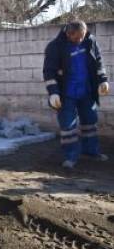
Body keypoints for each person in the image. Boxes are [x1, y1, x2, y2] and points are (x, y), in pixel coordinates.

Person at [43, 20, 109, 169]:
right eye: (76, 37)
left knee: (90, 122)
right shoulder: (55, 47)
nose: (80, 40)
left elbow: (98, 62)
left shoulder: (90, 41)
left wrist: (103, 80)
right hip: (66, 93)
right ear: (68, 33)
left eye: (82, 36)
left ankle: (91, 151)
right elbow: (49, 71)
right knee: (68, 126)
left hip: (86, 91)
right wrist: (53, 93)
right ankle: (70, 157)